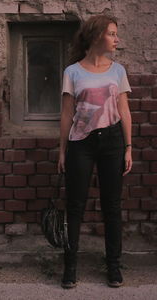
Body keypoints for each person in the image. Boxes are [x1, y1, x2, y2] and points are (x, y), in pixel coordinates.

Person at [58, 14, 132, 289]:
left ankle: (113, 267)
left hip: (112, 141)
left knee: (112, 206)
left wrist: (128, 147)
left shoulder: (118, 71)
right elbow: (66, 114)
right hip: (81, 143)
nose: (116, 39)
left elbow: (124, 110)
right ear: (97, 35)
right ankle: (70, 267)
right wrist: (62, 151)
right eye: (112, 33)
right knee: (75, 206)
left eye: (116, 33)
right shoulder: (72, 72)